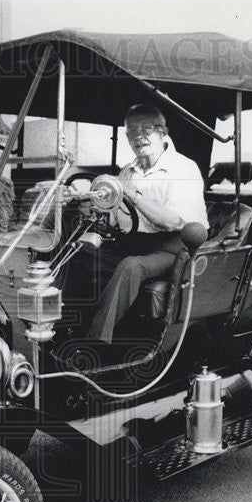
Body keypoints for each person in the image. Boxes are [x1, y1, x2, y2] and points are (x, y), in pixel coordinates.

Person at [83, 104, 209, 345]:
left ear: (163, 132)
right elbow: (114, 215)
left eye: (146, 129)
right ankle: (56, 325)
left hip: (175, 247)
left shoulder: (183, 168)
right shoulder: (127, 171)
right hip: (133, 242)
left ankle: (94, 344)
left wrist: (132, 194)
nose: (138, 136)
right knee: (80, 254)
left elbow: (172, 221)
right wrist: (94, 205)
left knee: (131, 266)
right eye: (131, 131)